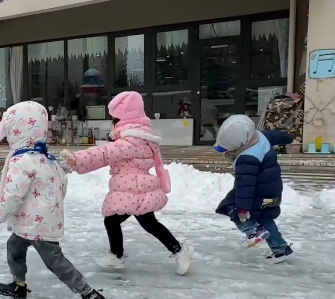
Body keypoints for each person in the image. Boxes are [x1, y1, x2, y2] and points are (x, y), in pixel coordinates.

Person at [0, 101, 108, 299]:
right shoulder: (46, 158)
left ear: (17, 130)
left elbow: (13, 195)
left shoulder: (22, 162)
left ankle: (90, 295)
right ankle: (19, 285)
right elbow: (62, 187)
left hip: (36, 225)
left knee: (55, 261)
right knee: (14, 245)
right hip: (37, 221)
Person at [64, 91, 193, 275]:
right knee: (142, 223)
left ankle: (174, 251)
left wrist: (75, 159)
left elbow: (104, 154)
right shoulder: (142, 137)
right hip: (136, 188)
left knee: (119, 221)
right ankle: (176, 251)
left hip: (133, 190)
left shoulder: (130, 141)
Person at [213, 114, 294, 263]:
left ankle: (253, 232)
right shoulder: (260, 137)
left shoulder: (247, 158)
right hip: (272, 190)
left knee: (230, 207)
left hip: (257, 191)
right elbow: (276, 136)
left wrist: (243, 209)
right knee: (265, 217)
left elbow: (245, 185)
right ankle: (282, 250)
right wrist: (289, 137)